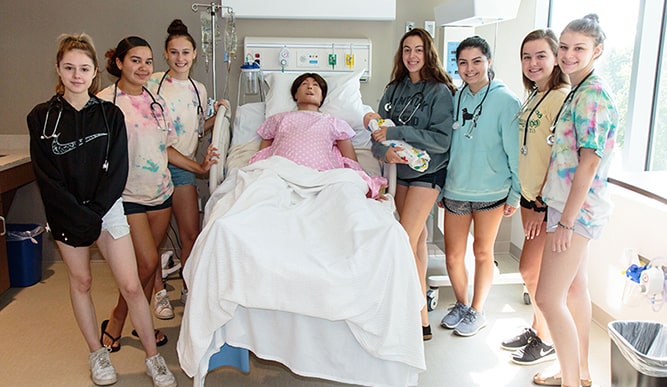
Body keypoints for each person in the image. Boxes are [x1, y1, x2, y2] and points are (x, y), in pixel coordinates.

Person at [27, 33, 176, 387]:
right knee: (81, 281)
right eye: (69, 68)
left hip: (106, 209)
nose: (76, 75)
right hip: (66, 212)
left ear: (95, 72)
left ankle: (153, 359)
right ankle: (97, 353)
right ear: (58, 70)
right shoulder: (41, 118)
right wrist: (77, 213)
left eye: (84, 69)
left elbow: (117, 167)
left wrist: (95, 211)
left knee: (131, 284)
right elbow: (46, 177)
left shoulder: (110, 114)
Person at [97, 36, 216, 355]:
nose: (143, 67)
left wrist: (199, 167)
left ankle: (139, 322)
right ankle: (116, 320)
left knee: (147, 267)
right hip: (126, 194)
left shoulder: (155, 101)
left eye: (148, 61)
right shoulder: (105, 101)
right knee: (148, 262)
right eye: (135, 60)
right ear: (119, 63)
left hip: (160, 191)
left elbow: (166, 147)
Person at [533, 14, 617, 387]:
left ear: (597, 51)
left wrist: (565, 221)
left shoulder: (593, 94)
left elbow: (589, 162)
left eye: (578, 48)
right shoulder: (578, 90)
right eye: (564, 47)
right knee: (573, 290)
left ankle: (570, 381)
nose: (568, 55)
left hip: (575, 211)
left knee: (548, 298)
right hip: (567, 206)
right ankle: (579, 372)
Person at [364, 28, 456, 340]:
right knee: (415, 244)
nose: (412, 56)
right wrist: (383, 149)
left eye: (418, 50)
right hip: (397, 175)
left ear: (428, 54)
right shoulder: (393, 90)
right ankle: (420, 319)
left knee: (402, 241)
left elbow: (441, 141)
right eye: (407, 50)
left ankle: (413, 318)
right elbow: (377, 134)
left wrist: (396, 134)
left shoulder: (440, 92)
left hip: (426, 174)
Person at [439, 36, 521, 337]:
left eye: (476, 61)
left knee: (483, 252)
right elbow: (448, 147)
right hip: (457, 188)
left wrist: (515, 192)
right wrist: (443, 185)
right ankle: (461, 304)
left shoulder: (506, 100)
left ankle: (478, 309)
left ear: (488, 61)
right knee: (452, 255)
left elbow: (515, 151)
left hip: (492, 191)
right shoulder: (455, 98)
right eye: (463, 62)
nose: (469, 68)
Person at [146, 19, 226, 318]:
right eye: (174, 52)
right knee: (153, 238)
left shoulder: (198, 89)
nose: (180, 58)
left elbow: (195, 129)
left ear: (194, 55)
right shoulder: (152, 83)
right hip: (154, 167)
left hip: (184, 168)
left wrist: (217, 117)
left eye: (186, 52)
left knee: (190, 232)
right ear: (166, 54)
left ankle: (189, 285)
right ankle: (159, 293)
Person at [500, 29, 570, 366]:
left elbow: (561, 157)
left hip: (546, 202)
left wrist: (542, 202)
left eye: (540, 55)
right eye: (527, 57)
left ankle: (546, 340)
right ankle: (537, 328)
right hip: (531, 199)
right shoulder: (534, 96)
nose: (532, 63)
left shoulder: (561, 97)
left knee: (532, 272)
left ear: (556, 57)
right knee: (533, 272)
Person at [249, 72, 385, 198]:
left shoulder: (334, 122)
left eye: (315, 85)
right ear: (295, 95)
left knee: (346, 196)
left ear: (322, 97)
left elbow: (351, 161)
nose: (310, 87)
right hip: (281, 172)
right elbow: (263, 154)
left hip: (323, 176)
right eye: (304, 84)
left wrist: (363, 182)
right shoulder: (278, 119)